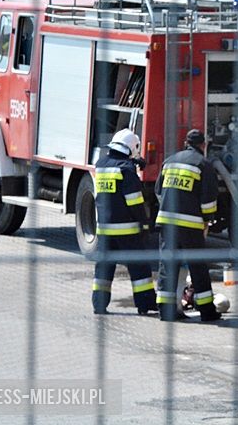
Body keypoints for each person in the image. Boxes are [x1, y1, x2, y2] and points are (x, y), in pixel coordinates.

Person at [155, 129, 221, 322]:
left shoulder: (169, 161)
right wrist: (207, 220)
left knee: (167, 266)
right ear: (203, 145)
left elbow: (158, 191)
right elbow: (208, 200)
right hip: (190, 225)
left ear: (186, 143)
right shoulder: (203, 165)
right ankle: (207, 311)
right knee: (198, 267)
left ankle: (165, 311)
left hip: (167, 222)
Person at [92, 129, 157, 315]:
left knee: (104, 268)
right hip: (126, 229)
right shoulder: (126, 170)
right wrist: (144, 223)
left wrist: (132, 165)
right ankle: (145, 304)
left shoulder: (101, 165)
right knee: (139, 268)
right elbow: (134, 201)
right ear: (131, 147)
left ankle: (99, 304)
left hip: (104, 228)